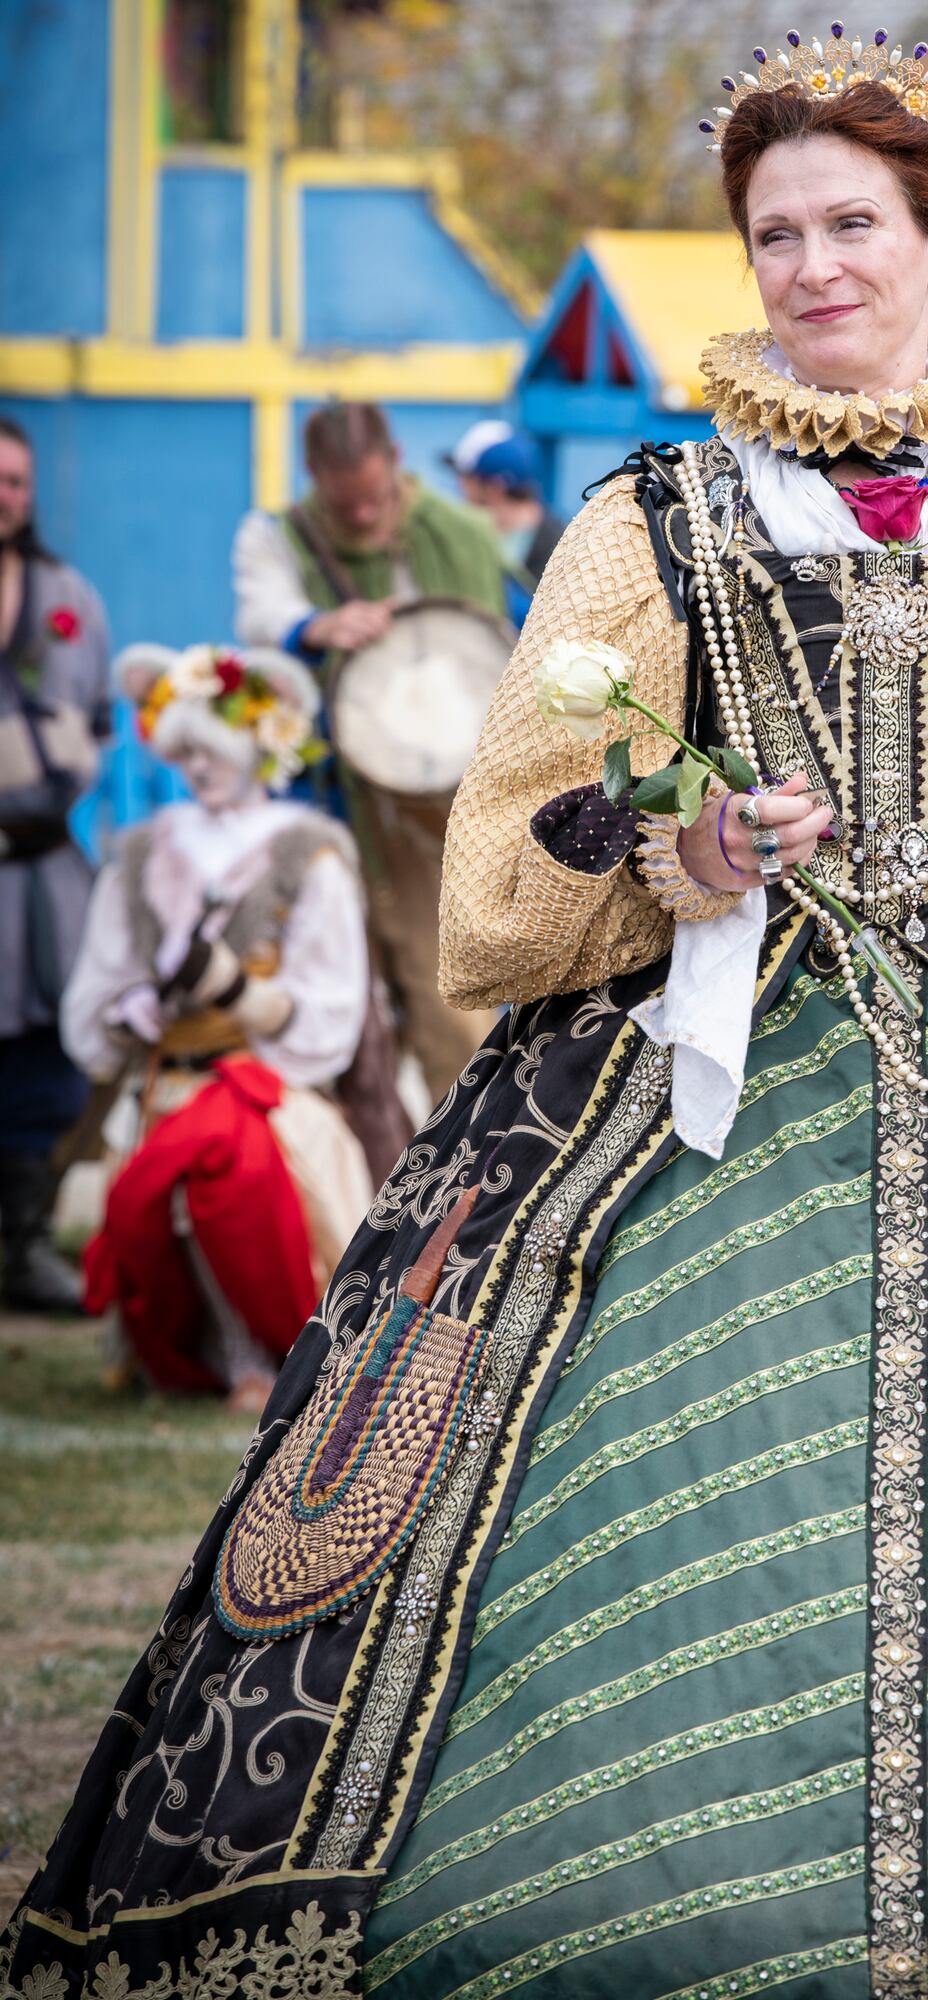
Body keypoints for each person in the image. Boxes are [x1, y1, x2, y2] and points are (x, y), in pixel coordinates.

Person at [6, 26, 928, 2000]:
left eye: (852, 222)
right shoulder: (657, 519)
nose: (810, 265)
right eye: (773, 231)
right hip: (694, 1090)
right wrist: (679, 853)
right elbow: (518, 839)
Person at [60, 644, 373, 1414]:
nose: (198, 768)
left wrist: (235, 994)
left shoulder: (308, 851)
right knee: (151, 1193)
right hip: (164, 1083)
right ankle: (178, 1350)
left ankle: (264, 1355)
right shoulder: (143, 851)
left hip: (264, 1088)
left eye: (214, 751)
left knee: (237, 1182)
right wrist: (129, 1007)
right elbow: (103, 980)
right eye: (186, 752)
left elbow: (331, 1000)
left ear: (259, 747)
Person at [232, 401, 505, 1102]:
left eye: (374, 499)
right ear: (314, 477)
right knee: (327, 1009)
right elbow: (260, 613)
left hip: (436, 818)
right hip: (326, 804)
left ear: (397, 464)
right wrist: (317, 625)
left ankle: (470, 1183)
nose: (360, 517)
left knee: (454, 1010)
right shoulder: (277, 538)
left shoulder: (460, 535)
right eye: (343, 503)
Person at [0, 415, 110, 1312]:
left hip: (43, 868)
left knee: (46, 1055)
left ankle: (26, 1246)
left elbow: (98, 722)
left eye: (15, 481)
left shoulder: (65, 590)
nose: (5, 496)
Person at [445, 418, 567, 624]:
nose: (462, 489)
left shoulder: (560, 546)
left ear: (496, 487)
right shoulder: (478, 534)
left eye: (470, 480)